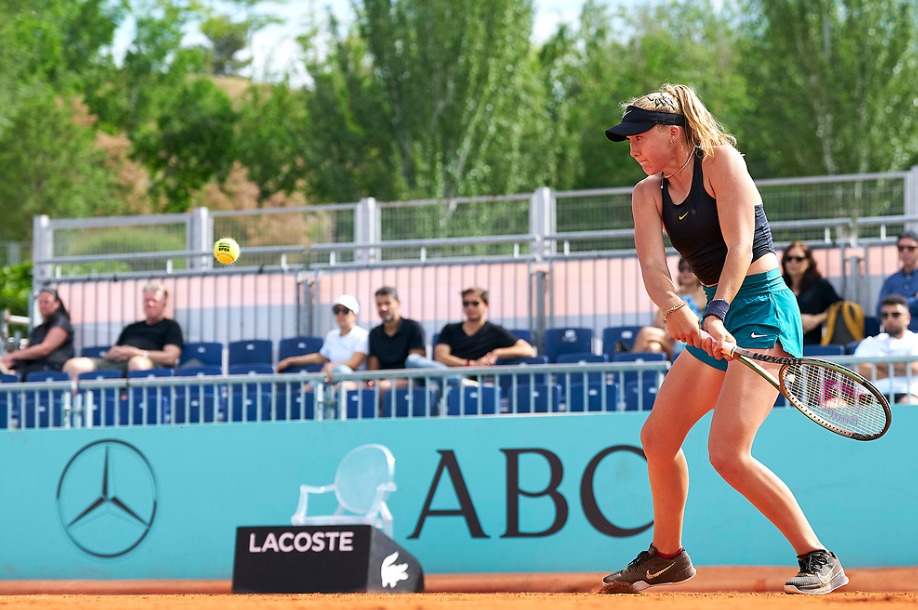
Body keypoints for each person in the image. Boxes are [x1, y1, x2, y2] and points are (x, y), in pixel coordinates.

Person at [600, 84, 847, 595]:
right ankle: (666, 556)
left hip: (764, 309)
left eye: (638, 138)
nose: (632, 149)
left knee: (728, 453)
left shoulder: (721, 162)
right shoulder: (647, 193)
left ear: (674, 133)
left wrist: (714, 314)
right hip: (719, 311)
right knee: (658, 438)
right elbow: (653, 266)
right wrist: (676, 311)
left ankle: (818, 556)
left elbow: (739, 249)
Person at [63, 282, 182, 378]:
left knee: (137, 363)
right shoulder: (131, 328)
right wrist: (113, 354)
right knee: (73, 365)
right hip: (117, 363)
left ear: (164, 302)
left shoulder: (171, 326)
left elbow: (170, 356)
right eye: (146, 300)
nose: (149, 304)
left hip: (148, 364)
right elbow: (114, 350)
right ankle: (72, 406)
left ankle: (133, 403)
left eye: (154, 300)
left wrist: (136, 353)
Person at [434, 288, 535, 368]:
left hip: (481, 380)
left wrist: (497, 353)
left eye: (475, 303)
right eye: (466, 304)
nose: (470, 307)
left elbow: (528, 350)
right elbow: (440, 357)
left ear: (486, 306)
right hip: (451, 377)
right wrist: (470, 365)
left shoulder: (495, 331)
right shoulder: (450, 329)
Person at [276, 294, 368, 382]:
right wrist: (290, 361)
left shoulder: (362, 335)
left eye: (345, 311)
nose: (340, 314)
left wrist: (332, 366)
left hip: (353, 382)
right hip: (332, 378)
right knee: (312, 386)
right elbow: (320, 357)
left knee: (339, 372)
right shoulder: (332, 335)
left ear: (355, 314)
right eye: (337, 311)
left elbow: (354, 363)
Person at [632, 257, 706, 358]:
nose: (685, 272)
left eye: (690, 269)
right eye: (682, 269)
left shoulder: (702, 293)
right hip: (672, 338)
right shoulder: (673, 294)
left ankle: (625, 369)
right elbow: (658, 320)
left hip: (691, 340)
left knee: (645, 333)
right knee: (653, 348)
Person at [854, 295, 918, 404]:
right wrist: (902, 368)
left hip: (907, 394)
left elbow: (915, 367)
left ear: (908, 318)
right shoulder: (869, 342)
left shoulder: (915, 339)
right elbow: (861, 370)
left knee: (909, 402)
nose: (890, 319)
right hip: (872, 396)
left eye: (896, 315)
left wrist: (878, 364)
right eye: (885, 315)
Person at [0, 287, 74, 379]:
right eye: (40, 302)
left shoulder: (61, 323)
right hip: (32, 368)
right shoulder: (38, 329)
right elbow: (28, 350)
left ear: (56, 304)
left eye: (46, 302)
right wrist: (10, 361)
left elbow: (45, 349)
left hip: (50, 369)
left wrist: (12, 356)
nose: (42, 305)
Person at [366, 286, 429, 390]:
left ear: (398, 303)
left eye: (387, 303)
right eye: (379, 304)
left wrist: (387, 382)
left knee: (382, 387)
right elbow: (373, 369)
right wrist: (373, 382)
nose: (383, 308)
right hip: (381, 383)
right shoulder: (374, 333)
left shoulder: (414, 327)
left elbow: (415, 365)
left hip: (410, 382)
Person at [781, 241, 841, 345]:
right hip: (785, 341)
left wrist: (816, 319)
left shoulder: (820, 285)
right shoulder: (779, 286)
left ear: (808, 262)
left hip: (815, 341)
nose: (793, 262)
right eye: (789, 259)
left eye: (799, 259)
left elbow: (839, 307)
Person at [876, 231, 918, 318]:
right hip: (895, 331)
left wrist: (892, 305)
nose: (905, 252)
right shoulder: (891, 281)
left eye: (911, 248)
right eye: (901, 248)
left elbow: (886, 309)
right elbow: (879, 310)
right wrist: (914, 301)